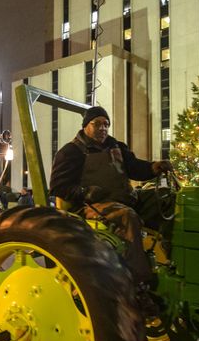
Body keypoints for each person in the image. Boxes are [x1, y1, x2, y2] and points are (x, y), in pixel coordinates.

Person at [49, 105, 171, 285]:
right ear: (85, 126)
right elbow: (58, 186)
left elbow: (135, 168)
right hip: (91, 205)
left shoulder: (117, 146)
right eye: (97, 124)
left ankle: (169, 257)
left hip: (126, 199)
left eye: (106, 124)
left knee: (166, 198)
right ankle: (138, 279)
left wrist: (154, 167)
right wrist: (85, 192)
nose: (103, 128)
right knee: (127, 217)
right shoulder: (70, 152)